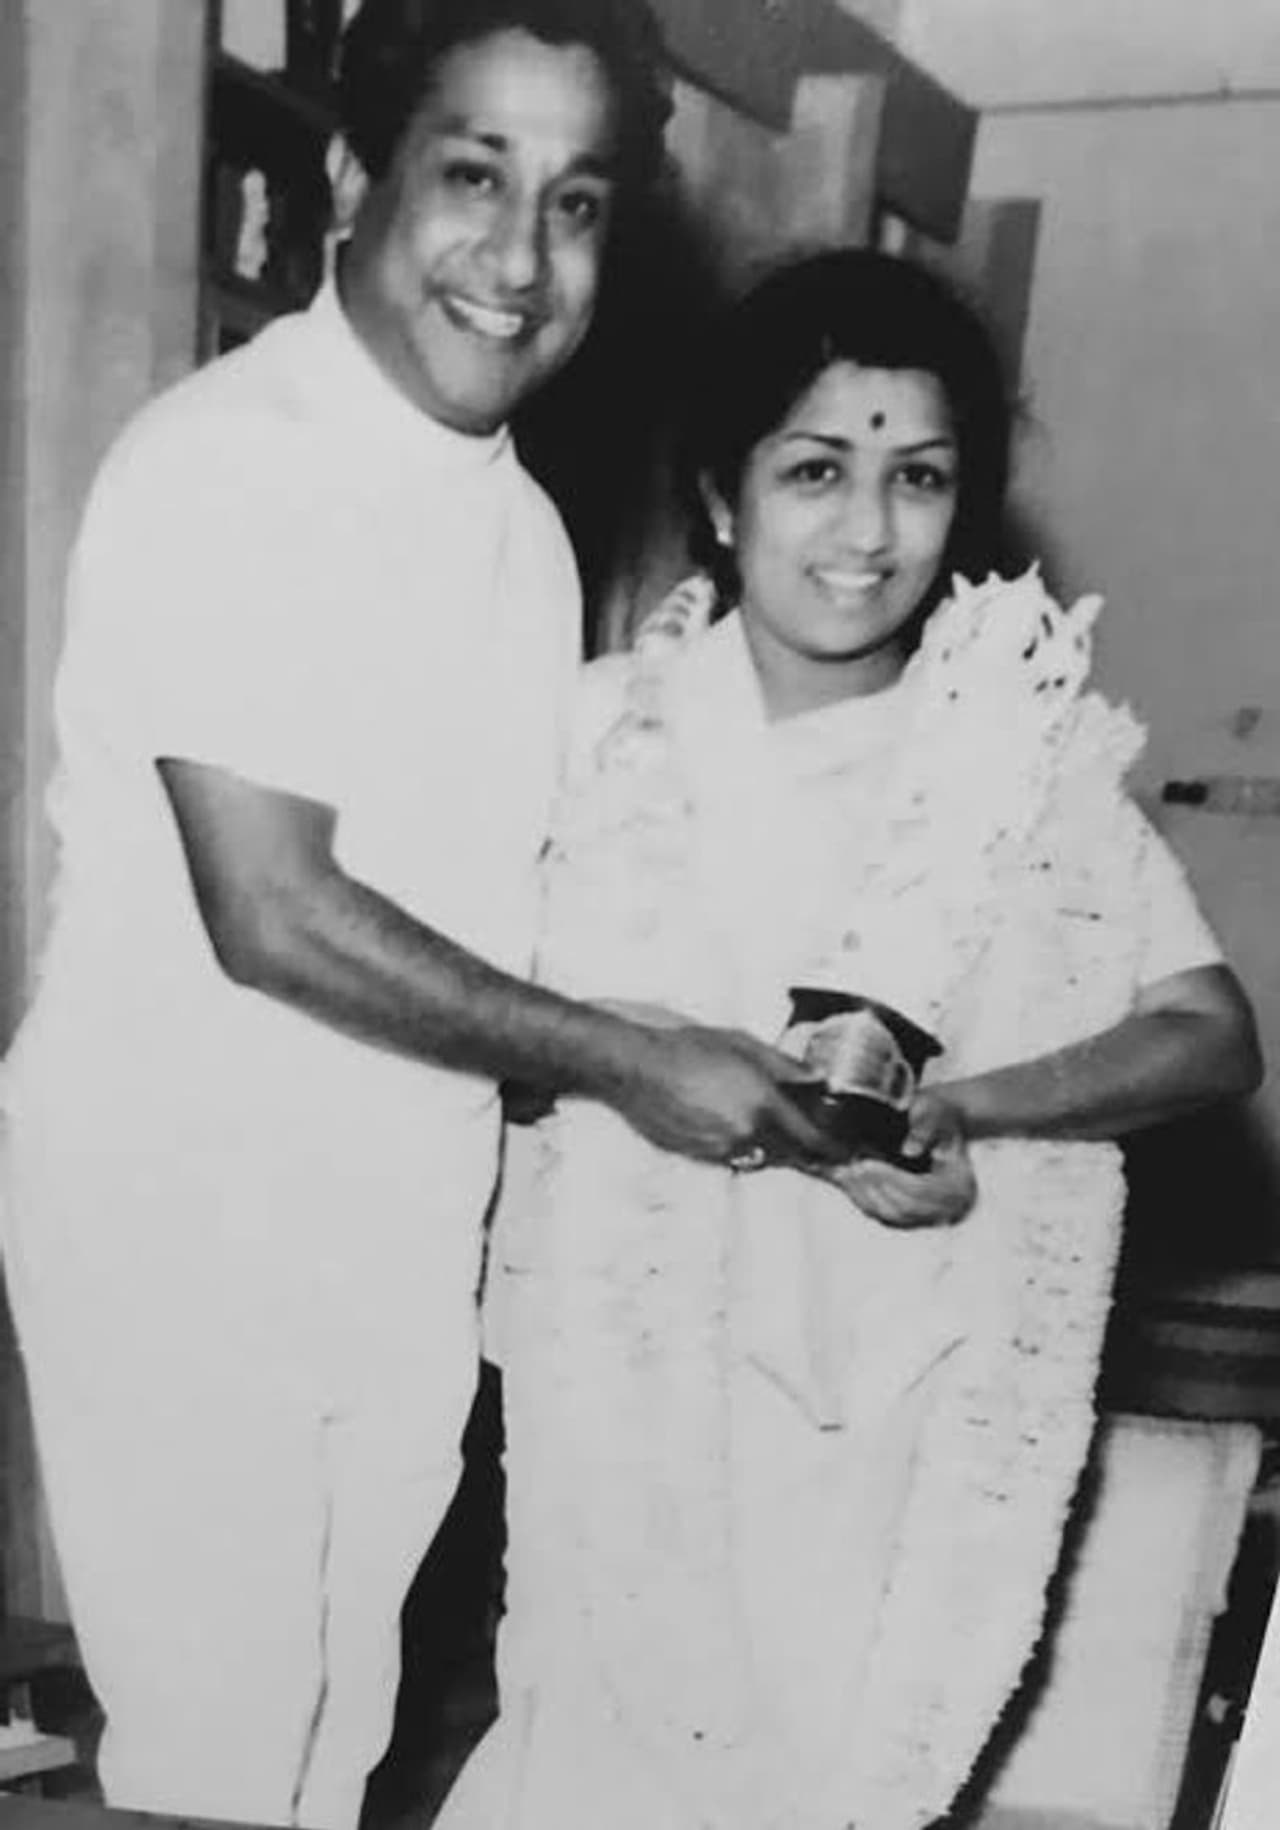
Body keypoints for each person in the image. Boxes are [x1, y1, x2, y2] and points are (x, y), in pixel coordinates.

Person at [0, 6, 843, 1827]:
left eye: (576, 202)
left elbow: (482, 914)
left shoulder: (521, 527)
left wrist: (689, 1044)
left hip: (397, 1223)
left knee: (331, 1758)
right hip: (188, 1220)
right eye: (474, 176)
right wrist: (625, 1059)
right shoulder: (236, 463)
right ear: (349, 176)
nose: (519, 259)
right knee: (219, 1759)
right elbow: (274, 912)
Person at [437, 248, 1263, 1830]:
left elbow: (1207, 1032)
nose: (869, 531)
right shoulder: (596, 733)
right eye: (817, 470)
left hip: (900, 1376)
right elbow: (467, 1016)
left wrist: (974, 1105)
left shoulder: (1017, 760)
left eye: (919, 478)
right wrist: (636, 1048)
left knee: (837, 1778)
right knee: (592, 1764)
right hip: (628, 1360)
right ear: (722, 494)